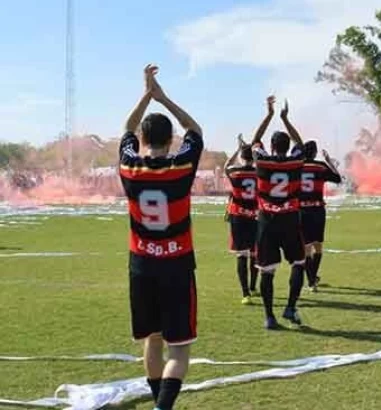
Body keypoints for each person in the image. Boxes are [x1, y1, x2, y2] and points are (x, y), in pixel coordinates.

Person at [119, 65, 203, 410]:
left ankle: (158, 404)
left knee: (152, 340)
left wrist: (145, 94)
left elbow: (126, 128)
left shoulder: (129, 167)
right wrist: (163, 97)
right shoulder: (180, 167)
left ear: (142, 139)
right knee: (180, 348)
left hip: (141, 265)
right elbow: (195, 129)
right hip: (177, 264)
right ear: (171, 140)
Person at [250, 96, 306, 330]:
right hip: (290, 218)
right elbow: (301, 144)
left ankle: (269, 316)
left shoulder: (262, 161)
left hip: (266, 221)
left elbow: (254, 141)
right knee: (299, 263)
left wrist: (269, 114)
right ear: (287, 146)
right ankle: (291, 307)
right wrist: (285, 118)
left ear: (271, 147)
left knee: (267, 270)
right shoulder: (295, 161)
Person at [300, 140, 342, 291]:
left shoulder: (297, 166)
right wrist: (329, 161)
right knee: (318, 245)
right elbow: (338, 179)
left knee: (306, 248)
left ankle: (311, 280)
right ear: (315, 152)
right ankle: (313, 279)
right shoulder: (320, 166)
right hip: (317, 210)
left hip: (302, 211)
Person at [224, 134, 259, 305]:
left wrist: (237, 148)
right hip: (255, 215)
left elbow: (226, 165)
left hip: (238, 215)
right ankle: (253, 286)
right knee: (254, 252)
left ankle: (245, 293)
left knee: (241, 254)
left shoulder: (234, 172)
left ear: (241, 157)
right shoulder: (260, 173)